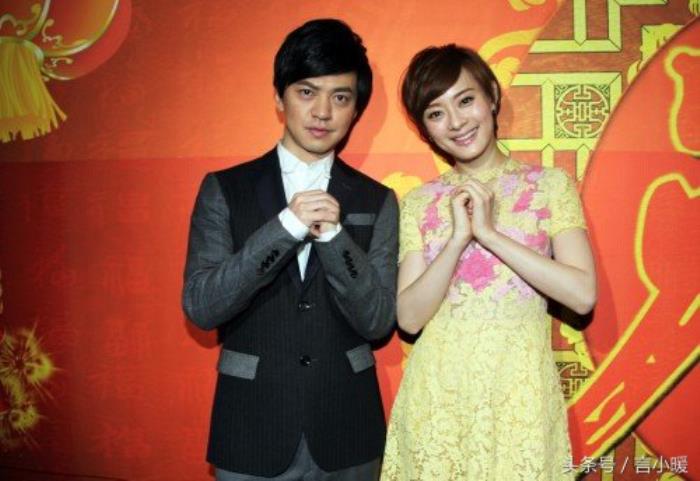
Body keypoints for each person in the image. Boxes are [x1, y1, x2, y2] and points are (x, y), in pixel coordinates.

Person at [182, 19, 398, 481]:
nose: (322, 111)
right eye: (306, 92)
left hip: (347, 428)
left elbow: (378, 321)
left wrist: (334, 238)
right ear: (280, 99)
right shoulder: (225, 189)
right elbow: (202, 306)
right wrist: (284, 228)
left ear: (356, 111)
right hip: (251, 426)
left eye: (340, 97)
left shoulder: (377, 200)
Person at [380, 45, 597, 480]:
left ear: (492, 96)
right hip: (438, 401)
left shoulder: (550, 186)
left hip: (520, 397)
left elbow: (582, 295)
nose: (456, 122)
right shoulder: (420, 202)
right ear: (425, 129)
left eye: (465, 100)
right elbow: (410, 317)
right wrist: (458, 239)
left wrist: (491, 234)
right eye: (436, 113)